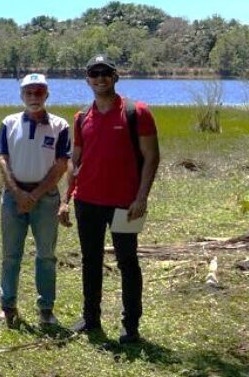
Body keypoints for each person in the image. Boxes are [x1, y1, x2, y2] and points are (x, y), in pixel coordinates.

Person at [59, 55, 159, 343]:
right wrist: (67, 199)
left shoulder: (136, 112)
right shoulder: (81, 117)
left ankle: (131, 326)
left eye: (105, 73)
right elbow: (74, 160)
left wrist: (142, 197)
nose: (100, 78)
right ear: (87, 78)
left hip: (125, 204)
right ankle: (91, 319)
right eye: (94, 73)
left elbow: (152, 157)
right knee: (91, 260)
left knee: (128, 262)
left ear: (115, 77)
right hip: (87, 202)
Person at [0, 74, 70, 327]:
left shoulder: (60, 126)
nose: (34, 97)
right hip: (13, 197)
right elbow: (2, 157)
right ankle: (8, 306)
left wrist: (35, 194)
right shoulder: (9, 122)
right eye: (29, 92)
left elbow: (61, 164)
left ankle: (46, 309)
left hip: (45, 199)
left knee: (46, 255)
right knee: (10, 254)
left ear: (47, 94)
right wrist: (16, 192)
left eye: (39, 92)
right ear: (21, 95)